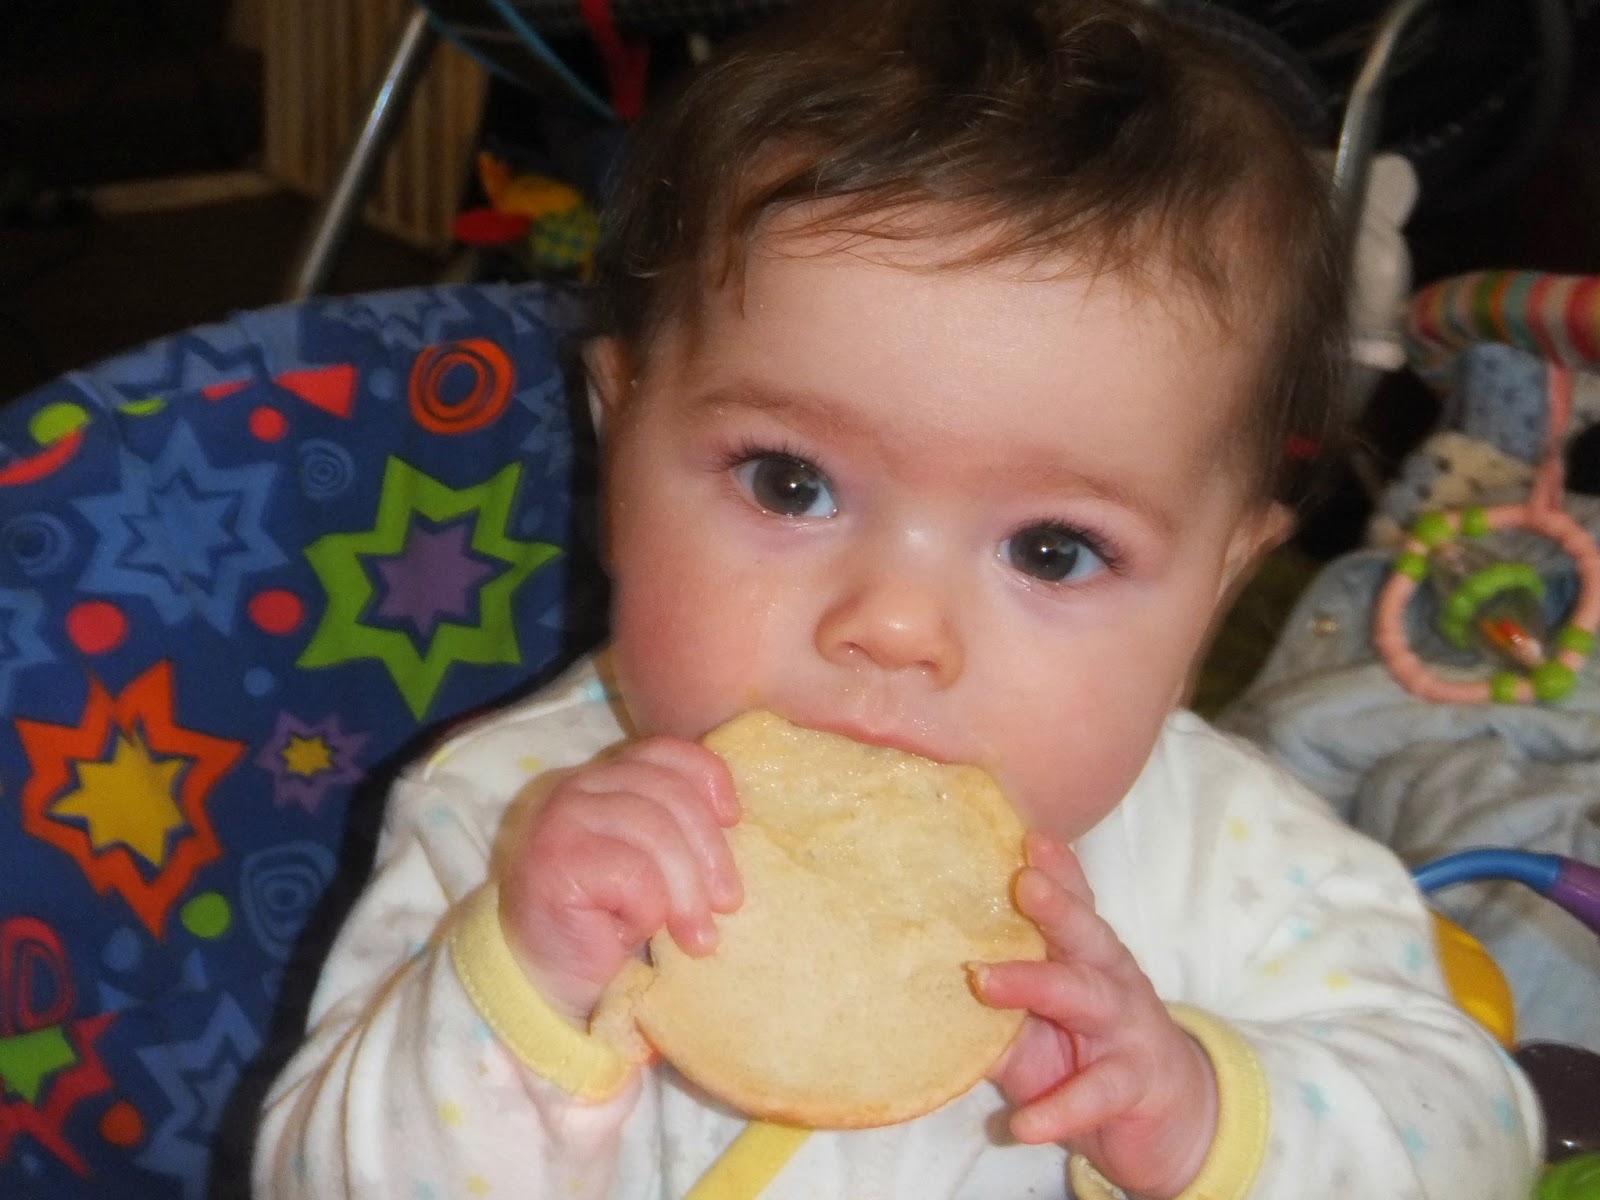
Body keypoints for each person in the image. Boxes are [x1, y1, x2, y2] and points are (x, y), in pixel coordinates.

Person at [254, 0, 1543, 1196]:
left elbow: (1473, 1132)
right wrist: (524, 997)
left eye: (1053, 550)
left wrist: (1201, 1113)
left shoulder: (1240, 857)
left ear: (1219, 589)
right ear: (620, 442)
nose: (895, 625)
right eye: (790, 482)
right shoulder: (512, 823)